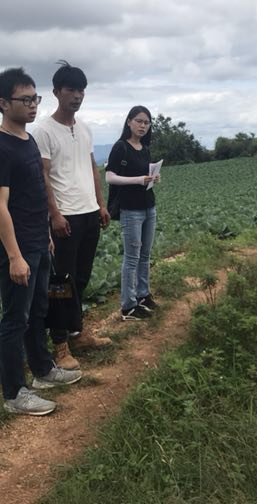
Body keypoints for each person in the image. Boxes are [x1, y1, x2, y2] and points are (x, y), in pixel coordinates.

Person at [0, 67, 82, 416]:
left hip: (39, 241)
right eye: (25, 100)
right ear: (3, 103)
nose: (33, 105)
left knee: (38, 310)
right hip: (17, 247)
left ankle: (42, 370)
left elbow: (36, 192)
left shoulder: (28, 140)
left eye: (34, 98)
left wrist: (46, 236)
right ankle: (14, 394)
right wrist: (14, 256)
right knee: (15, 319)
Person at [31, 61, 112, 371]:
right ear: (56, 92)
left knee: (80, 278)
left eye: (81, 90)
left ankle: (77, 332)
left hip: (89, 213)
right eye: (71, 90)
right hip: (65, 216)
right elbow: (43, 176)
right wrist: (54, 215)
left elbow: (92, 167)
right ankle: (60, 344)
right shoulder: (43, 130)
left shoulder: (85, 128)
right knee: (60, 283)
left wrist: (101, 204)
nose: (77, 96)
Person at [106, 106, 161, 321]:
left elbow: (144, 174)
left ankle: (143, 295)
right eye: (139, 121)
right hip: (130, 209)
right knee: (132, 258)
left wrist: (153, 178)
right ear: (129, 122)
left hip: (148, 206)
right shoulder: (120, 147)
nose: (142, 125)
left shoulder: (144, 148)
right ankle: (128, 306)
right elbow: (110, 177)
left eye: (146, 122)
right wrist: (138, 180)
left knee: (145, 255)